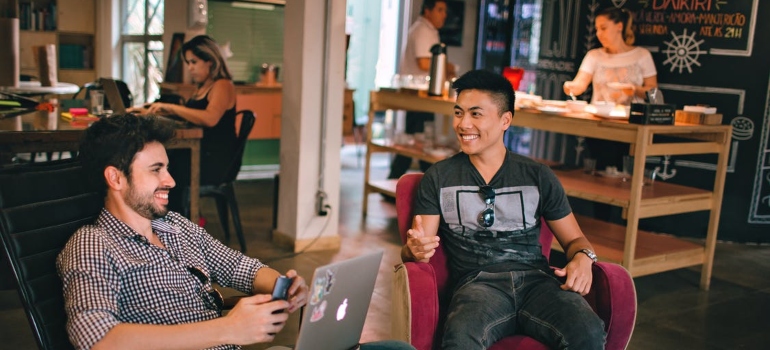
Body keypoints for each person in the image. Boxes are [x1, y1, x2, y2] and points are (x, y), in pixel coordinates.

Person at [58, 114, 415, 350]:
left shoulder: (176, 227)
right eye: (156, 170)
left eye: (167, 167)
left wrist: (283, 285)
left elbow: (241, 268)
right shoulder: (93, 244)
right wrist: (229, 328)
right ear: (115, 177)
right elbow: (96, 338)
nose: (171, 180)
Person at [402, 70, 606, 349]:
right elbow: (417, 246)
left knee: (589, 331)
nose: (463, 124)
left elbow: (575, 240)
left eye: (476, 114)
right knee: (461, 339)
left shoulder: (538, 176)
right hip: (477, 286)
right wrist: (412, 250)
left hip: (539, 283)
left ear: (505, 120)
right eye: (458, 113)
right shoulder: (439, 177)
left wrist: (584, 256)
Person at [128, 35, 237, 217]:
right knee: (158, 163)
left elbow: (210, 118)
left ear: (210, 61)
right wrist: (152, 110)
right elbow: (190, 115)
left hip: (215, 159)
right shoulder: (202, 87)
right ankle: (163, 219)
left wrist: (170, 107)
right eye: (188, 62)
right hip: (200, 152)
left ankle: (175, 223)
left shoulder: (223, 85)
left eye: (194, 62)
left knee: (165, 169)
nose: (190, 68)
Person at [387, 0, 453, 184]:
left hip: (422, 95)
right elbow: (424, 63)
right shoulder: (423, 30)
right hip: (419, 95)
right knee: (419, 141)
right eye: (440, 10)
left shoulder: (428, 30)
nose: (444, 15)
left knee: (417, 140)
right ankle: (420, 184)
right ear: (427, 10)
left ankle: (407, 182)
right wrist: (447, 67)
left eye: (444, 11)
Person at [563, 7, 657, 105]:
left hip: (631, 117)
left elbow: (653, 93)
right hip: (598, 116)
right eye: (597, 29)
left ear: (619, 26)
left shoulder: (642, 55)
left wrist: (634, 90)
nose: (599, 34)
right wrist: (571, 87)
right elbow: (580, 84)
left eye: (603, 28)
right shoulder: (593, 55)